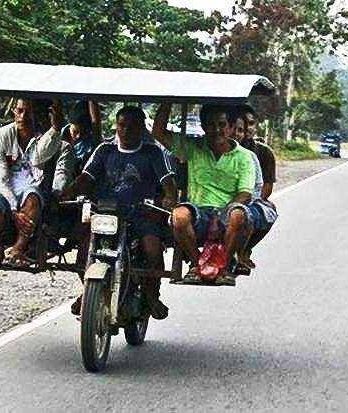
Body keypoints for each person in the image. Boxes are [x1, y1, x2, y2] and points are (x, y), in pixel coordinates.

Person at [65, 106, 177, 320]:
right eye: (122, 125)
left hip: (141, 215)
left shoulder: (153, 152)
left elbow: (168, 184)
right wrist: (66, 193)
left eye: (132, 126)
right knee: (83, 248)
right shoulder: (104, 150)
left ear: (141, 128)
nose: (126, 131)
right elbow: (85, 179)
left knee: (152, 248)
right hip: (105, 213)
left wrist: (169, 198)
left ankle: (151, 295)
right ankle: (88, 290)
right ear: (116, 126)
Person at [152, 103, 255, 286]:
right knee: (179, 215)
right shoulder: (192, 148)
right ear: (203, 127)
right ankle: (197, 263)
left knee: (239, 215)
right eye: (210, 125)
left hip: (227, 215)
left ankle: (223, 266)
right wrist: (167, 100)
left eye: (221, 125)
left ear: (230, 127)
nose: (216, 130)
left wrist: (219, 215)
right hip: (198, 214)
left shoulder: (244, 156)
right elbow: (158, 132)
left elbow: (245, 193)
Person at [0, 98, 64, 267]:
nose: (23, 117)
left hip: (28, 196)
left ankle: (18, 249)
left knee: (33, 196)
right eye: (20, 111)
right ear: (14, 113)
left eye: (29, 112)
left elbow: (40, 157)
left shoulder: (42, 138)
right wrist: (14, 210)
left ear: (37, 116)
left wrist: (55, 128)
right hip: (1, 193)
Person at [230, 105, 279, 268]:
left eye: (250, 124)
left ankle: (244, 250)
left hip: (249, 198)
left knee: (262, 211)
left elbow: (265, 187)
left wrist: (246, 199)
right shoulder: (214, 148)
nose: (245, 130)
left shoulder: (261, 153)